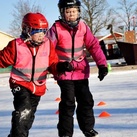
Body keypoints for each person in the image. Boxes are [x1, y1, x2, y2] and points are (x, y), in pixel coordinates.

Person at [0, 12, 73, 137]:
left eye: (44, 31)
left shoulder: (48, 45)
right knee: (24, 110)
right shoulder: (16, 45)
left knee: (27, 118)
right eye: (37, 31)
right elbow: (0, 58)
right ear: (27, 29)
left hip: (38, 87)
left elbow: (53, 64)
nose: (41, 35)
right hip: (20, 83)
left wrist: (61, 66)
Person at [45, 0, 108, 137]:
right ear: (62, 13)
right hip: (64, 71)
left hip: (81, 70)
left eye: (74, 11)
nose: (71, 15)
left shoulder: (83, 27)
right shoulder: (56, 29)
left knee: (86, 100)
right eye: (68, 12)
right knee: (68, 103)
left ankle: (87, 128)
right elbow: (47, 50)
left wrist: (102, 64)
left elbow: (94, 46)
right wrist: (56, 66)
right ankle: (66, 133)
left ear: (78, 12)